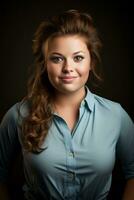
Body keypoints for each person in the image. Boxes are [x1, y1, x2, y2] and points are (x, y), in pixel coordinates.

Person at [0, 9, 134, 200]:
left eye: (78, 57)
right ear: (45, 64)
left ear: (91, 62)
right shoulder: (18, 115)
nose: (68, 68)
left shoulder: (115, 115)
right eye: (57, 58)